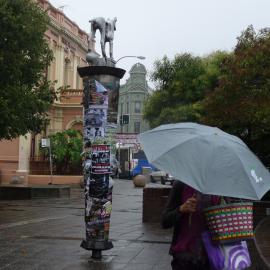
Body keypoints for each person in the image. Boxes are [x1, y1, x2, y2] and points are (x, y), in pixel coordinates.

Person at [162, 181, 213, 270]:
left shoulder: (220, 190)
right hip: (185, 257)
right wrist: (181, 209)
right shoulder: (181, 185)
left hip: (213, 257)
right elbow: (165, 221)